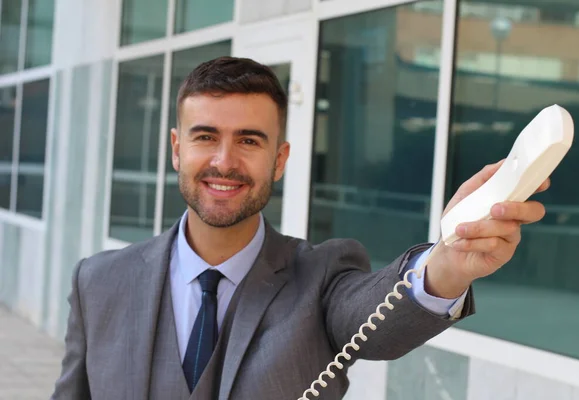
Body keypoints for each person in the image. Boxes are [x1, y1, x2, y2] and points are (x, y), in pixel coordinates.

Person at [51, 56, 548, 400]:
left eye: (249, 140)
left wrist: (445, 264)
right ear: (178, 148)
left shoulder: (323, 274)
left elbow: (377, 323)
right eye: (206, 137)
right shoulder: (97, 282)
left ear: (280, 159)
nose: (224, 162)